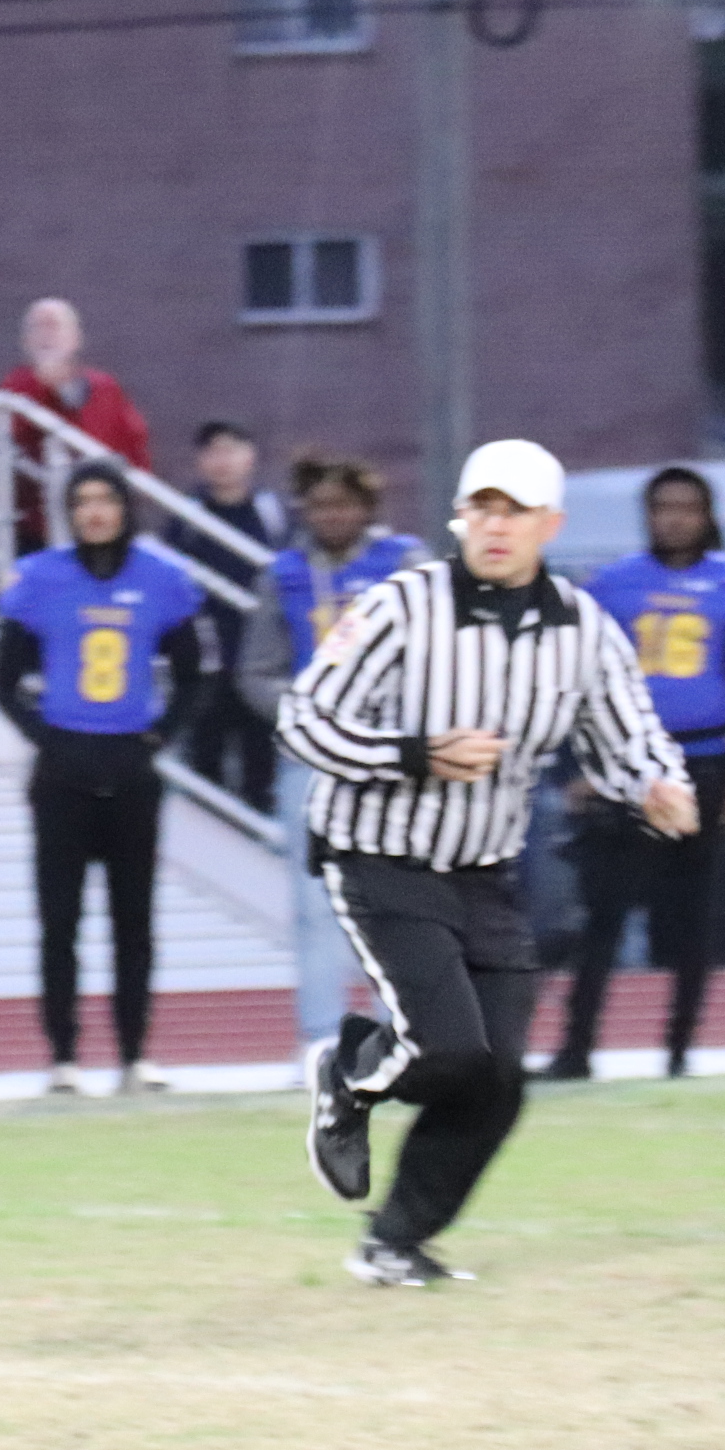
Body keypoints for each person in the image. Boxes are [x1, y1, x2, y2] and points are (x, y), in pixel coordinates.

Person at [286, 439, 693, 1285]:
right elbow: (303, 718)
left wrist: (658, 785)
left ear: (552, 524)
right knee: (450, 1049)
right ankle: (352, 1070)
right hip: (379, 852)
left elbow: (628, 733)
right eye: (484, 508)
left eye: (516, 512)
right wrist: (414, 752)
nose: (497, 526)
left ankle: (394, 1241)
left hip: (485, 870)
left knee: (499, 1077)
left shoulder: (583, 628)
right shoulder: (400, 603)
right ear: (460, 515)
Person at [554, 466, 725, 1080]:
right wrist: (583, 761)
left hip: (707, 760)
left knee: (692, 912)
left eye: (687, 507)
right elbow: (585, 681)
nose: (675, 519)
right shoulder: (616, 585)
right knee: (603, 909)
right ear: (648, 514)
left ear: (707, 515)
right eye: (663, 507)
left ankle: (678, 1050)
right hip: (631, 761)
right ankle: (576, 1050)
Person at [0, 461, 206, 1095]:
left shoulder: (160, 578)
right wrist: (46, 737)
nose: (94, 512)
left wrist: (159, 737)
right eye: (82, 500)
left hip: (130, 766)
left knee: (133, 919)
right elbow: (3, 682)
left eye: (106, 499)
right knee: (60, 919)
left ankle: (135, 1054)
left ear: (125, 507)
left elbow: (194, 675)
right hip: (62, 767)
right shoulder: (40, 578)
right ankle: (64, 1057)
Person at [234, 452, 426, 1062]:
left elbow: (437, 655)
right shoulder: (283, 574)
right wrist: (300, 713)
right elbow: (255, 670)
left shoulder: (404, 566)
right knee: (316, 902)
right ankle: (321, 1036)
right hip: (311, 760)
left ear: (367, 509)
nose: (331, 515)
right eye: (319, 505)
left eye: (343, 504)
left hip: (386, 756)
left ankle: (397, 1031)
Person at [168, 420, 285, 812]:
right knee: (205, 758)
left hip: (260, 659)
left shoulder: (272, 513)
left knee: (261, 763)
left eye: (232, 450)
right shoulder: (187, 517)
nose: (223, 461)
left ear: (250, 456)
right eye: (213, 451)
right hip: (207, 659)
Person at [0, 296, 150, 550]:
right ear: (26, 342)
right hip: (38, 529)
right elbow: (5, 439)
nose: (47, 335)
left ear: (75, 339)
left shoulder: (105, 388)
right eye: (39, 327)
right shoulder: (13, 390)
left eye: (55, 326)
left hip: (105, 520)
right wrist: (42, 386)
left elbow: (134, 444)